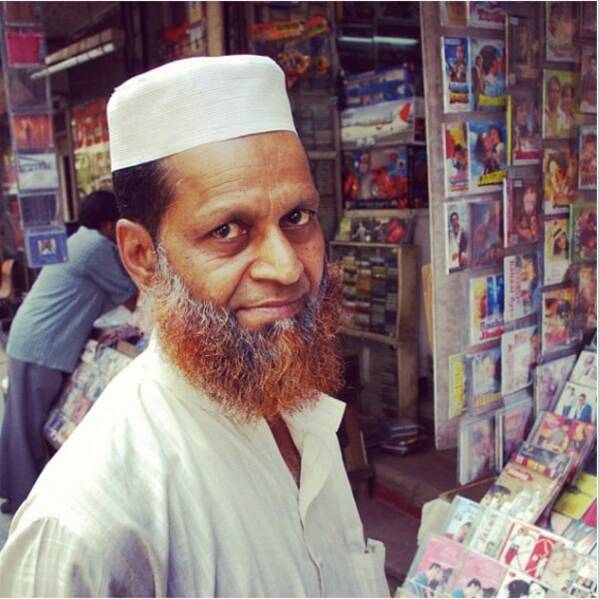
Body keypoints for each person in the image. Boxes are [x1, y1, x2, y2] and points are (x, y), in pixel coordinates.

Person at [0, 56, 388, 598]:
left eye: (297, 218)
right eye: (227, 230)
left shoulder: (299, 411)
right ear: (142, 256)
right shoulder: (87, 526)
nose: (287, 268)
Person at [0, 190, 137, 515]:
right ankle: (24, 498)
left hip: (34, 341)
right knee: (27, 425)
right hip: (41, 345)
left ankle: (14, 491)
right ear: (108, 224)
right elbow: (131, 295)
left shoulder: (79, 241)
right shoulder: (95, 247)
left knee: (22, 421)